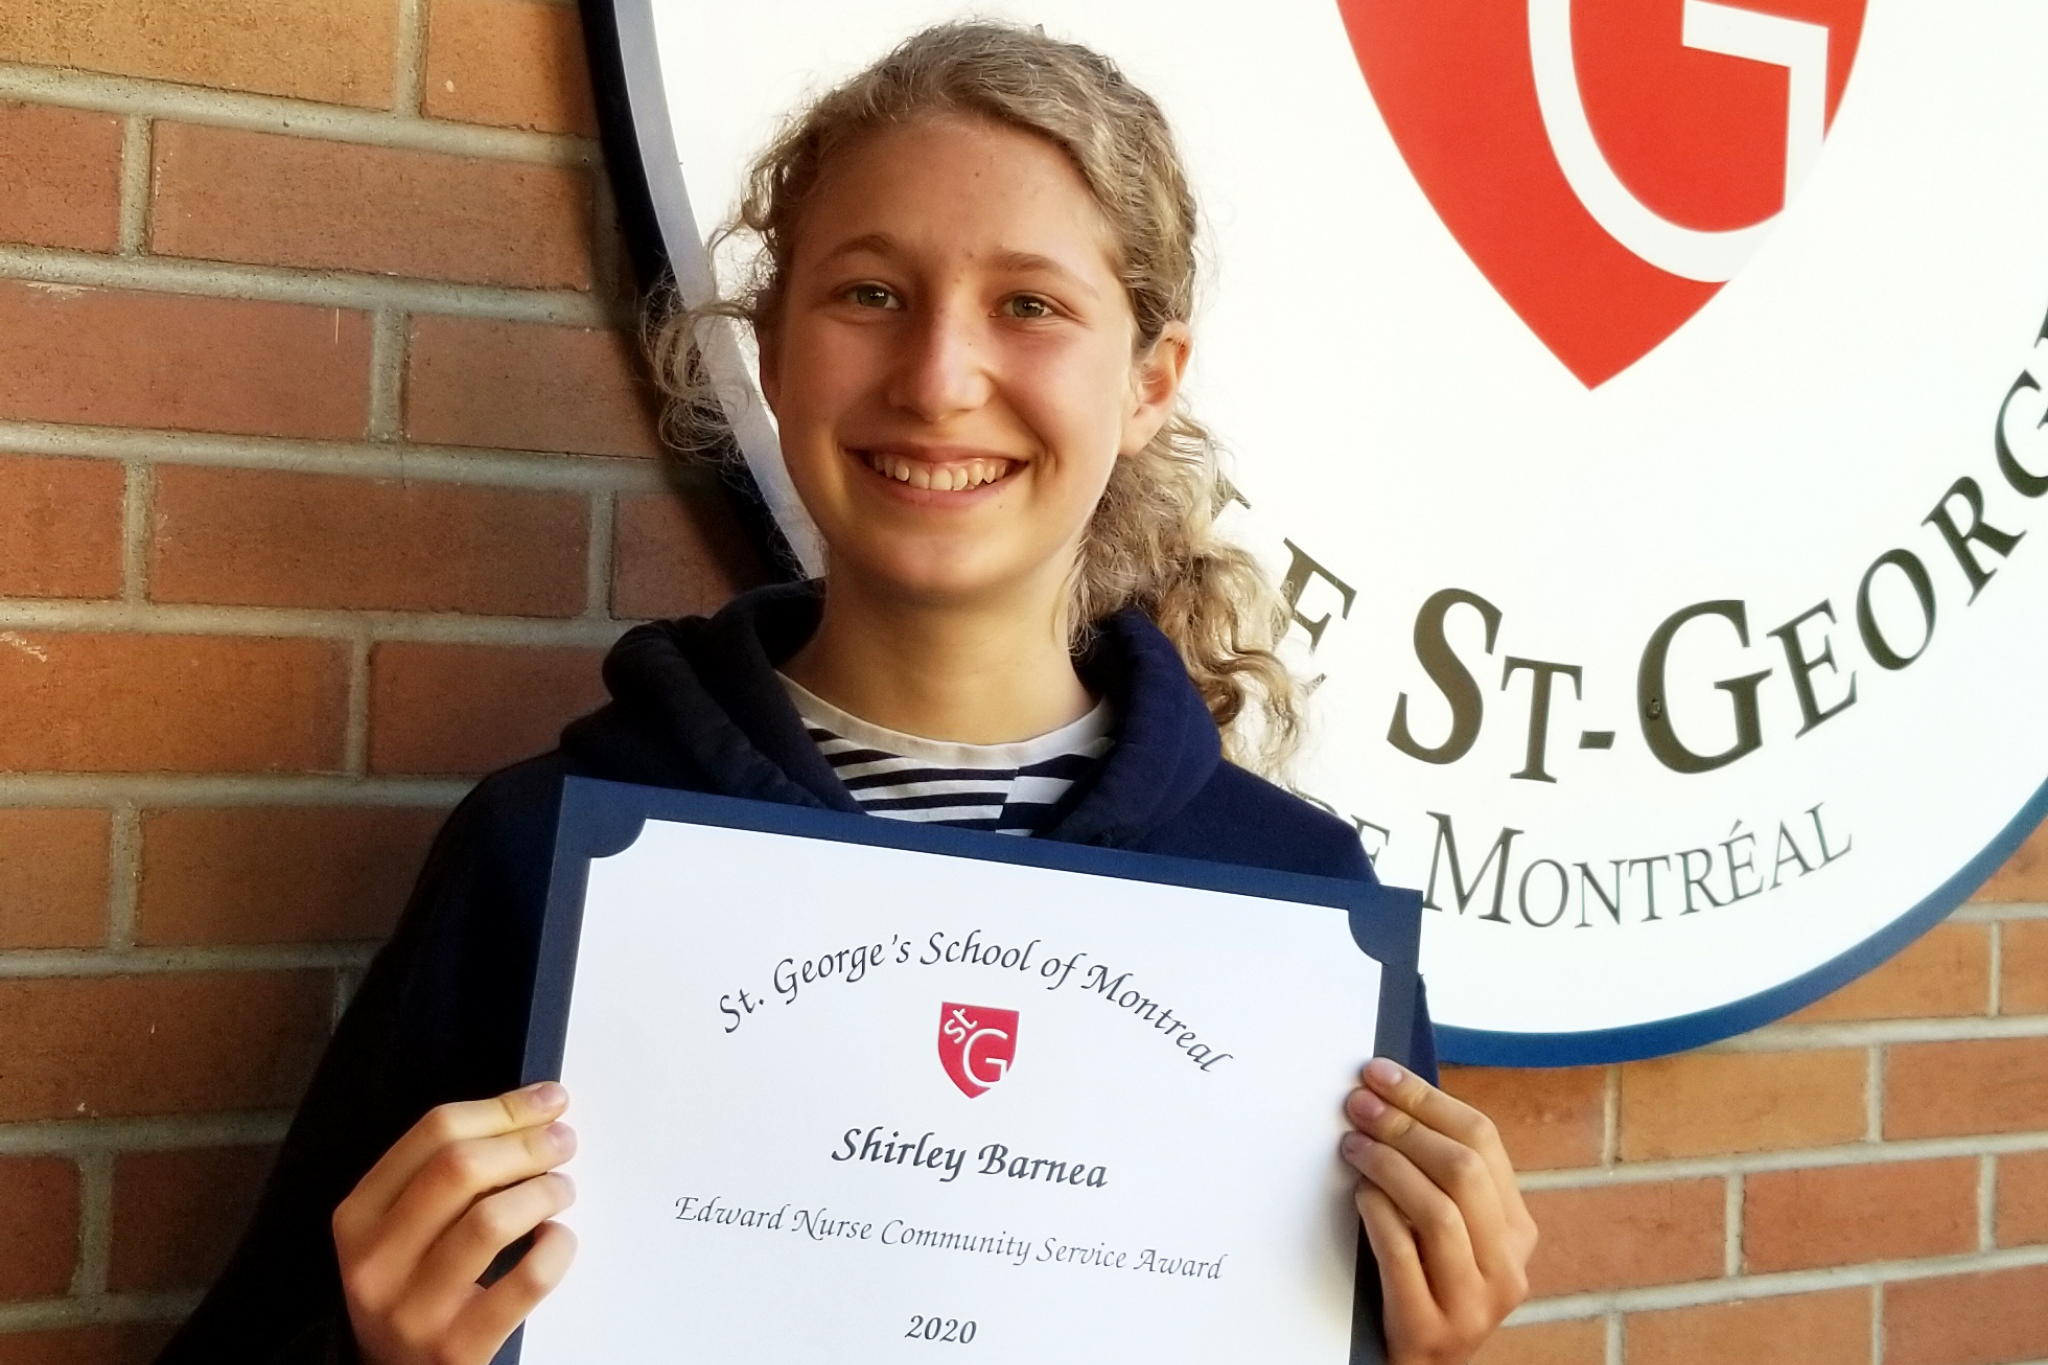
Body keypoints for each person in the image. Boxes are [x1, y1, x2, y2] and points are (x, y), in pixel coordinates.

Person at [159, 22, 1535, 1365]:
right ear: (773, 351)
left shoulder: (1288, 916)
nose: (939, 378)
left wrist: (1424, 1354)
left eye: (1031, 306)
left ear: (1150, 382)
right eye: (870, 294)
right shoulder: (547, 860)